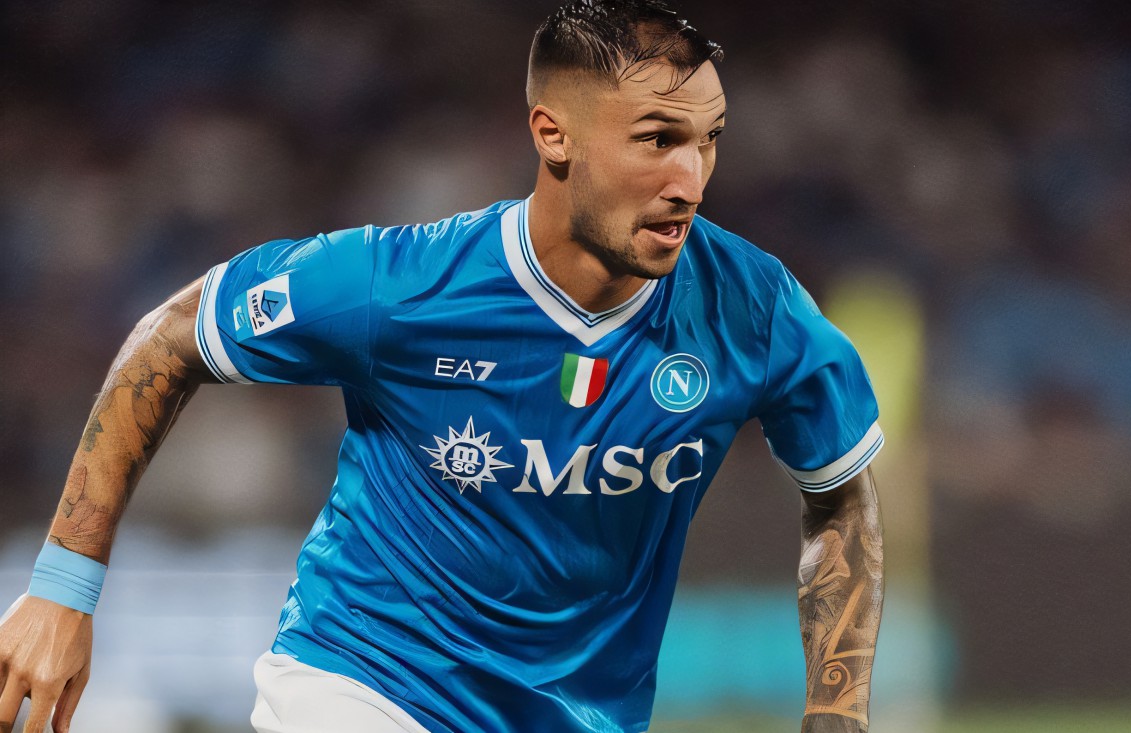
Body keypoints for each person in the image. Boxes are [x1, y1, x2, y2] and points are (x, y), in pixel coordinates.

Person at [0, 1, 885, 731]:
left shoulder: (753, 308)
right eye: (657, 139)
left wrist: (835, 715)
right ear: (554, 135)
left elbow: (840, 492)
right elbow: (172, 335)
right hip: (364, 686)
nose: (691, 178)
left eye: (709, 139)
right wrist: (63, 590)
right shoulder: (401, 286)